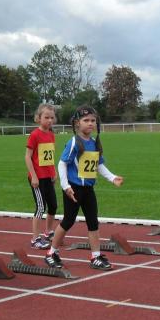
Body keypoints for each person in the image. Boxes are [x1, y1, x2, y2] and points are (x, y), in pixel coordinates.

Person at [44, 105, 123, 271]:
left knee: (93, 222)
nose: (90, 123)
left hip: (88, 189)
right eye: (86, 120)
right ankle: (51, 253)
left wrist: (112, 177)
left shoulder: (94, 143)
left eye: (93, 120)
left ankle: (95, 256)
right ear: (77, 123)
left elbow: (98, 165)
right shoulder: (74, 142)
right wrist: (66, 186)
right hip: (73, 189)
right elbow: (62, 164)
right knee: (68, 221)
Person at [24, 103, 57, 250]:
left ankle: (48, 232)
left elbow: (50, 156)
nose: (50, 120)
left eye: (52, 118)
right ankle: (35, 239)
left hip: (48, 176)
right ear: (38, 118)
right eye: (46, 117)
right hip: (37, 177)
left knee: (53, 205)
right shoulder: (35, 135)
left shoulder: (51, 135)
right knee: (40, 207)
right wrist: (34, 176)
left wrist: (54, 171)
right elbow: (27, 157)